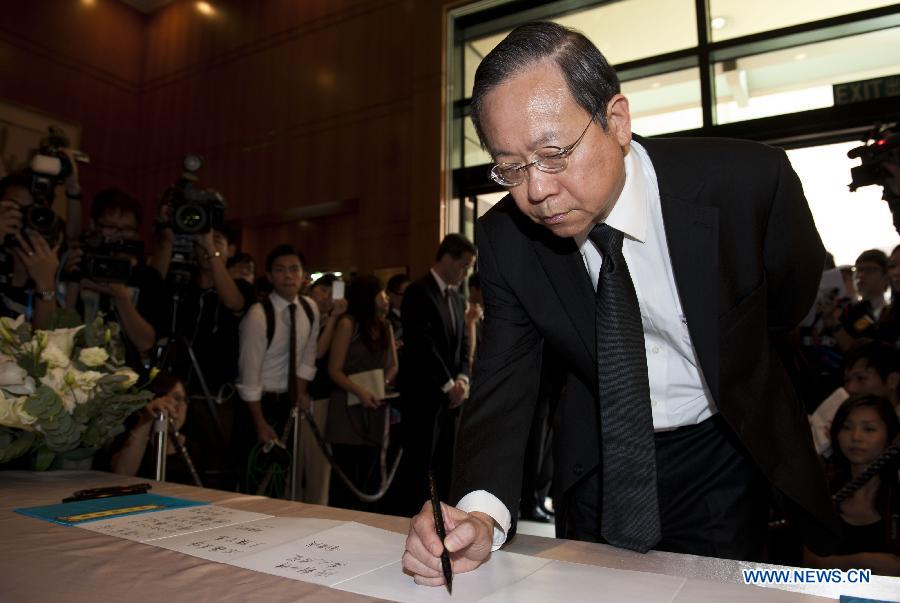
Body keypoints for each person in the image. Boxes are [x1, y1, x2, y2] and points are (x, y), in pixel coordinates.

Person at [403, 22, 837, 585]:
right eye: (510, 167)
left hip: (723, 453)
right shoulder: (508, 239)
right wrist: (480, 515)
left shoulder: (748, 184)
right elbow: (505, 381)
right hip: (598, 462)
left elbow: (787, 301)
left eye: (553, 153)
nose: (536, 190)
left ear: (616, 121)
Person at [396, 234, 474, 512]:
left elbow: (463, 343)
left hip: (450, 399)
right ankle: (411, 520)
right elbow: (422, 346)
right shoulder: (419, 291)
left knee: (444, 465)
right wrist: (448, 384)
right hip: (423, 397)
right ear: (447, 258)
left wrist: (463, 379)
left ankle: (440, 520)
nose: (465, 272)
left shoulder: (456, 298)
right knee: (419, 465)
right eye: (463, 265)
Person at [236, 243, 319, 495]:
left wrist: (299, 396)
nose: (288, 276)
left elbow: (307, 358)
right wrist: (260, 423)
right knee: (253, 478)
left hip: (288, 402)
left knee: (281, 478)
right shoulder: (258, 315)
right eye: (280, 270)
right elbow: (249, 375)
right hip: (257, 405)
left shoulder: (309, 308)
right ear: (270, 276)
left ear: (304, 275)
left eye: (294, 269)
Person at [804, 395, 900, 575]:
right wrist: (864, 562)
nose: (856, 437)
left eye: (869, 429)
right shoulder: (823, 490)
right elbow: (809, 560)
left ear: (891, 438)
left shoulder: (895, 494)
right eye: (846, 427)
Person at [326, 274, 398, 511]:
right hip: (347, 409)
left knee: (370, 472)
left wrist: (379, 384)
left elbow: (393, 366)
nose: (386, 298)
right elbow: (334, 369)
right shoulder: (349, 324)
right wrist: (361, 389)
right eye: (383, 292)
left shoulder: (385, 325)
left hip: (374, 406)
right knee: (346, 474)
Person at [109, 371, 203, 486]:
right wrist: (146, 419)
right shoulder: (133, 437)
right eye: (176, 398)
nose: (180, 407)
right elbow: (121, 474)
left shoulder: (196, 446)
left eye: (184, 400)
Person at [0, 173, 61, 329]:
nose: (23, 217)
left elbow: (44, 339)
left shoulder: (44, 259)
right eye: (14, 208)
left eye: (33, 211)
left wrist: (46, 285)